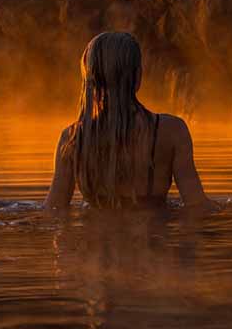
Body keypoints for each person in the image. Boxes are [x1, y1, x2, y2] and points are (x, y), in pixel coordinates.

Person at [43, 31, 218, 211]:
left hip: (95, 236)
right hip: (153, 234)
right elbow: (197, 206)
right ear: (138, 76)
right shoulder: (171, 131)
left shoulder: (73, 139)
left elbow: (53, 210)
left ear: (89, 80)